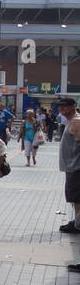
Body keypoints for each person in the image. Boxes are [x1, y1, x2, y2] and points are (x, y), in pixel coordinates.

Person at [56, 98, 80, 262]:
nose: (63, 109)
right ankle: (76, 222)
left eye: (66, 106)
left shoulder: (76, 122)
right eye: (61, 106)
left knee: (77, 198)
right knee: (74, 198)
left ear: (73, 107)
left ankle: (78, 224)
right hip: (71, 167)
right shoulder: (70, 121)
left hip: (76, 167)